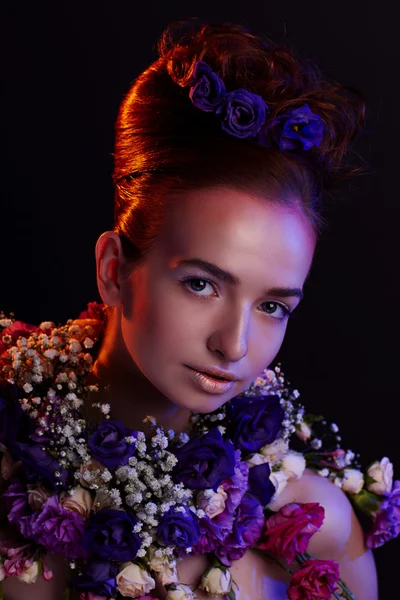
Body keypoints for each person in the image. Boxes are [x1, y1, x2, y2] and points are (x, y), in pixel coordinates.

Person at [1, 18, 392, 600]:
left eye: (273, 307)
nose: (234, 346)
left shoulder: (314, 527)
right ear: (114, 270)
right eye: (203, 285)